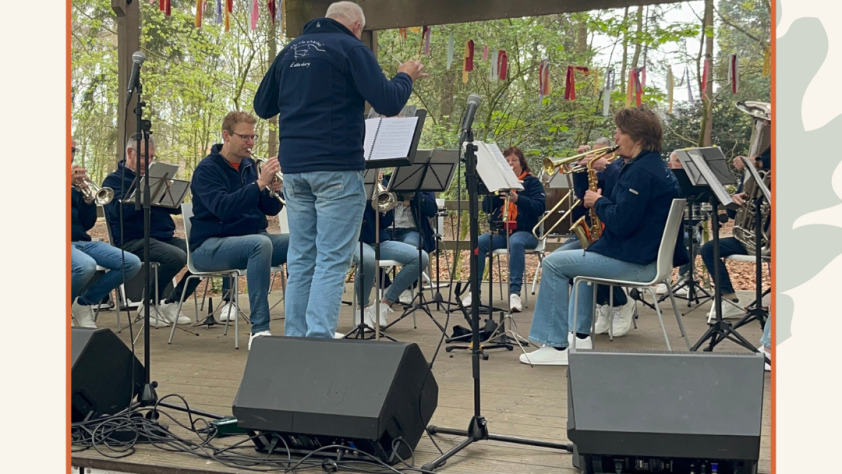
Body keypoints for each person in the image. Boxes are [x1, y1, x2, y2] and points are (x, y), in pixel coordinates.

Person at [253, 1, 426, 339]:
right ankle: (319, 339)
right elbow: (389, 101)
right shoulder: (351, 48)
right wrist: (405, 75)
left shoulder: (289, 52)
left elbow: (262, 106)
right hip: (336, 167)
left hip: (295, 170)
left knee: (302, 257)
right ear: (357, 26)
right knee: (332, 259)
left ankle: (296, 339)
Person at [520, 106, 686, 366]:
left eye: (620, 132)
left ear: (638, 138)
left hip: (637, 262)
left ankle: (555, 345)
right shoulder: (651, 167)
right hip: (644, 255)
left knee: (553, 263)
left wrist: (598, 203)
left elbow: (620, 222)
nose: (615, 137)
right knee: (581, 259)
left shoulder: (641, 173)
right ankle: (580, 337)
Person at [189, 112, 290, 350]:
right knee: (260, 244)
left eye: (253, 137)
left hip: (252, 240)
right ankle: (260, 329)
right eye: (244, 137)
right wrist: (259, 184)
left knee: (303, 242)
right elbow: (223, 208)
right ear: (226, 136)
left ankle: (306, 322)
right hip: (209, 246)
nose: (250, 142)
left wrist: (274, 189)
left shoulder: (248, 166)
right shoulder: (206, 170)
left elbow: (269, 209)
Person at [102, 134, 194, 326]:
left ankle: (173, 301)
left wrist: (169, 192)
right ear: (130, 153)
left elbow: (175, 209)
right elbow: (118, 213)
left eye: (151, 156)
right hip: (133, 240)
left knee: (202, 252)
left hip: (162, 237)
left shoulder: (155, 178)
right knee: (176, 257)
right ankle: (148, 303)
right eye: (144, 156)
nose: (148, 161)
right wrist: (145, 194)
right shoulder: (113, 181)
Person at [556, 138, 635, 337]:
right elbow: (582, 194)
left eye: (600, 153)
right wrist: (582, 168)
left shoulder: (621, 167)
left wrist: (606, 168)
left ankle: (621, 303)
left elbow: (619, 194)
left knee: (589, 262)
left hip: (613, 231)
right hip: (593, 228)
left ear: (611, 153)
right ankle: (603, 305)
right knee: (559, 259)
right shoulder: (598, 170)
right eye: (594, 153)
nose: (595, 157)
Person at [462, 146, 545, 312]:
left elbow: (539, 207)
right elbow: (487, 208)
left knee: (515, 242)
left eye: (514, 160)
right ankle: (474, 292)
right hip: (502, 232)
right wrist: (493, 193)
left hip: (527, 232)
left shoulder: (532, 182)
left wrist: (518, 199)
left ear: (521, 163)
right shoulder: (498, 183)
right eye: (507, 161)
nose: (511, 163)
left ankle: (514, 293)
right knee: (478, 242)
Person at [70, 137, 142, 327]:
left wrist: (87, 200)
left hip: (81, 241)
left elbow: (87, 224)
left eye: (73, 150)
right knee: (85, 266)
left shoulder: (73, 184)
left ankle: (83, 303)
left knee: (131, 263)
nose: (70, 155)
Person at [699, 146, 771, 319]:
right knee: (709, 249)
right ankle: (730, 301)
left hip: (774, 238)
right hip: (750, 237)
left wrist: (759, 162)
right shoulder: (749, 175)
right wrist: (735, 199)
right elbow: (732, 214)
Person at [346, 197, 429, 331]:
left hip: (379, 241)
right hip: (353, 240)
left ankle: (384, 304)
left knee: (420, 257)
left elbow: (386, 222)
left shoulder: (380, 188)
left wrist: (384, 208)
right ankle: (362, 309)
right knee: (368, 259)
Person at [384, 176, 438, 303]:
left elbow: (432, 209)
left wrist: (414, 196)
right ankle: (386, 286)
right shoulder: (384, 181)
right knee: (370, 247)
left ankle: (408, 288)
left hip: (411, 230)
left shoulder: (423, 183)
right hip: (386, 230)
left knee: (413, 248)